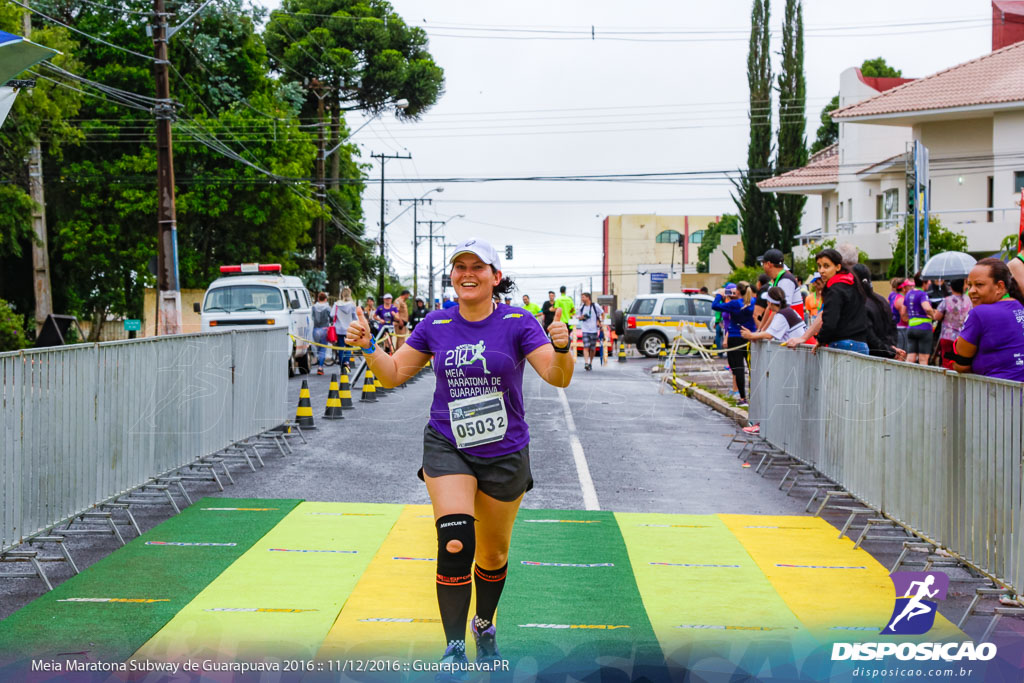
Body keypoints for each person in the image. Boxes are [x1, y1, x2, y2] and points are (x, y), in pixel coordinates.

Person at [344, 238, 573, 674]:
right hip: (448, 444)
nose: (467, 273)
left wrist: (562, 348)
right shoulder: (436, 323)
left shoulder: (518, 322)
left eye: (478, 267)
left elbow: (557, 377)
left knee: (491, 556)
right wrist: (368, 347)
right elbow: (393, 374)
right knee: (454, 541)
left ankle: (484, 626)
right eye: (459, 266)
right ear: (452, 276)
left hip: (505, 452)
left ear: (495, 277)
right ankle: (453, 647)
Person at [948, 257, 1024, 382]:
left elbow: (961, 365)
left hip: (997, 394)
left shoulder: (979, 314)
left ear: (999, 286)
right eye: (969, 285)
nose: (971, 291)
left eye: (979, 285)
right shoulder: (1019, 306)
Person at [811, 248, 870, 355]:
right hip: (861, 344)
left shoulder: (835, 289)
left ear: (838, 267)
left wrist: (820, 339)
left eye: (826, 266)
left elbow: (830, 321)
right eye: (819, 266)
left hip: (842, 344)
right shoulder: (853, 284)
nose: (821, 270)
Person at [712, 282, 756, 406]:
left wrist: (720, 295)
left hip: (735, 336)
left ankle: (742, 397)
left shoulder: (734, 304)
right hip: (750, 336)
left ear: (737, 291)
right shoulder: (753, 301)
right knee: (752, 367)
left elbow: (715, 306)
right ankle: (753, 395)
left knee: (738, 368)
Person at [852, 264, 904, 360]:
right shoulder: (881, 300)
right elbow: (893, 326)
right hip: (886, 352)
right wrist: (892, 347)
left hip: (872, 357)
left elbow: (870, 336)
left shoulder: (860, 303)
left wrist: (889, 350)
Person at [740, 286, 806, 343]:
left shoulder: (782, 315)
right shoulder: (786, 311)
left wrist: (751, 335)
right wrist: (755, 335)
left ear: (770, 303)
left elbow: (769, 335)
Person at [933, 279, 971, 370]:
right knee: (959, 361)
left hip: (947, 336)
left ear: (951, 287)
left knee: (947, 361)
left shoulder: (947, 300)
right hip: (963, 337)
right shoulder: (969, 300)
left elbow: (937, 317)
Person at [899, 274, 935, 366]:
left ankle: (906, 377)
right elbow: (926, 308)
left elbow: (903, 312)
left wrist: (909, 318)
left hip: (911, 328)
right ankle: (923, 380)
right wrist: (933, 315)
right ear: (924, 282)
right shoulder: (922, 294)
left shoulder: (908, 294)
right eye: (928, 281)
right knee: (923, 360)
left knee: (910, 357)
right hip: (924, 329)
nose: (930, 283)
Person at [759, 248, 804, 318]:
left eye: (763, 263)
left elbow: (781, 309)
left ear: (768, 264)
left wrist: (767, 329)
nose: (762, 267)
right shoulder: (778, 280)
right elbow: (769, 308)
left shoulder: (786, 281)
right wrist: (761, 329)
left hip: (791, 327)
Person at [331, 287, 359, 369]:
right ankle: (346, 362)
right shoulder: (352, 305)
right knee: (349, 346)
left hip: (339, 329)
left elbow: (332, 315)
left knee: (341, 347)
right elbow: (355, 317)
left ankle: (341, 364)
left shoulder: (336, 304)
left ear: (341, 294)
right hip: (349, 329)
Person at [577, 291, 603, 371]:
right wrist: (582, 317)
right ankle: (586, 363)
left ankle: (591, 362)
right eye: (581, 297)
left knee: (592, 348)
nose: (582, 299)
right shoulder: (582, 307)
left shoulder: (595, 306)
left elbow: (602, 313)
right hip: (585, 329)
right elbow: (578, 317)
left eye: (583, 297)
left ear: (588, 297)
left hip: (594, 330)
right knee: (586, 346)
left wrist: (600, 321)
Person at [311, 292, 332, 375]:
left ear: (318, 299)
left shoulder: (314, 307)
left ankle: (319, 363)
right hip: (324, 329)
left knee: (318, 348)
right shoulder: (327, 307)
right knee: (323, 349)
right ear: (326, 299)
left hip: (316, 329)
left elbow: (312, 317)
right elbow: (331, 317)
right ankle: (320, 367)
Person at [889, 278, 910, 351]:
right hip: (902, 330)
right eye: (909, 286)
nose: (911, 288)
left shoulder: (893, 296)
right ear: (904, 288)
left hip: (896, 328)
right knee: (902, 354)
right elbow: (904, 317)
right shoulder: (902, 300)